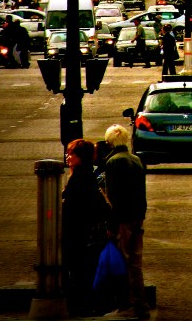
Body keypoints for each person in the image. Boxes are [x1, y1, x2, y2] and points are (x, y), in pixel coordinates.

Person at [104, 124, 150, 320]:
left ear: (110, 142)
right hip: (136, 218)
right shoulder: (136, 160)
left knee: (121, 263)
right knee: (136, 264)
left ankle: (125, 305)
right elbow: (142, 193)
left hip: (122, 220)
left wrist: (111, 225)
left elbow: (113, 197)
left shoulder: (113, 163)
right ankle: (141, 306)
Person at [62, 138, 111, 317]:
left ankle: (82, 307)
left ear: (81, 157)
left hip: (79, 235)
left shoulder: (80, 180)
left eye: (72, 154)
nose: (67, 157)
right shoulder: (84, 177)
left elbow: (78, 209)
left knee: (80, 272)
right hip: (83, 235)